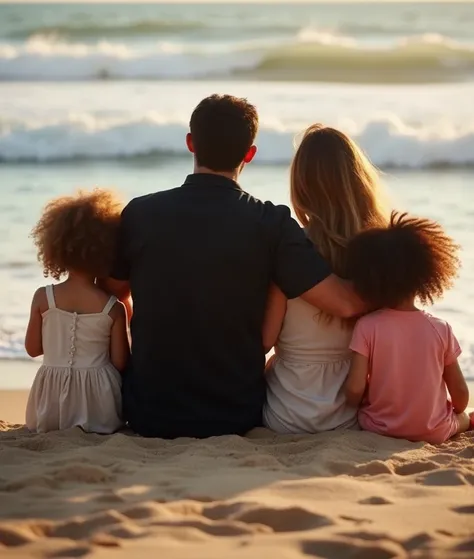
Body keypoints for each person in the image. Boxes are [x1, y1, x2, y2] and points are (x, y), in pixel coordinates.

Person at [104, 95, 366, 439]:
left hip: (148, 412)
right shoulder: (271, 223)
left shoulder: (139, 214)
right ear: (250, 154)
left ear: (190, 143)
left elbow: (112, 294)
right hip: (233, 414)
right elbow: (344, 303)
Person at [263, 125, 388, 433]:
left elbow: (264, 341)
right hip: (350, 413)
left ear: (302, 186)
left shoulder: (290, 252)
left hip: (286, 414)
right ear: (358, 183)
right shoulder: (380, 254)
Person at [344, 212, 473, 443]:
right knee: (462, 417)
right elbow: (461, 396)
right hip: (434, 432)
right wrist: (456, 410)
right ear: (426, 277)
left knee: (363, 414)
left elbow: (354, 388)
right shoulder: (440, 328)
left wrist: (357, 402)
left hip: (379, 429)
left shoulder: (367, 326)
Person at [25, 190, 130, 433]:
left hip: (49, 403)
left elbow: (32, 349)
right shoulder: (113, 307)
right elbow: (120, 362)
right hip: (98, 405)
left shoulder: (43, 297)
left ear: (57, 248)